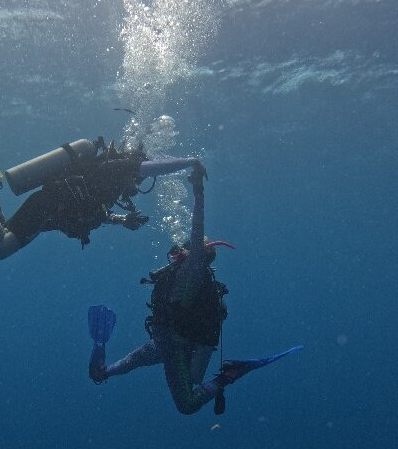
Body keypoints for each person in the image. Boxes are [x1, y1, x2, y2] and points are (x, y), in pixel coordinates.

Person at [87, 165, 302, 415]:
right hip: (165, 339)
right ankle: (107, 371)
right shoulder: (184, 271)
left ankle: (230, 375)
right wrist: (108, 371)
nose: (176, 253)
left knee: (187, 404)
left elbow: (197, 226)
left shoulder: (193, 267)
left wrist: (198, 189)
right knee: (135, 363)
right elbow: (138, 358)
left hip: (175, 342)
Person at [0, 102, 203, 259]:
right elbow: (152, 168)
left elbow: (95, 213)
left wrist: (123, 221)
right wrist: (190, 162)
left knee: (2, 229)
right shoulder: (120, 170)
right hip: (50, 208)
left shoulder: (109, 183)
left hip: (50, 210)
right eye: (138, 178)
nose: (136, 187)